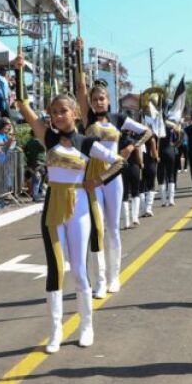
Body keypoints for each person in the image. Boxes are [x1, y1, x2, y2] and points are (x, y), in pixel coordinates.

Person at [15, 69, 126, 354]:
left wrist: (96, 181)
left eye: (63, 111)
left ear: (76, 113)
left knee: (78, 269)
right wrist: (18, 70)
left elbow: (118, 162)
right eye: (53, 112)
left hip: (79, 208)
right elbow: (22, 105)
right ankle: (55, 331)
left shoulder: (87, 143)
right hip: (52, 207)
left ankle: (86, 325)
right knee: (55, 270)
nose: (57, 116)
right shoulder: (48, 138)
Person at [75, 52, 150, 298]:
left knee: (113, 229)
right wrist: (78, 55)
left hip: (114, 176)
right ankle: (99, 280)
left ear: (109, 101)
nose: (98, 102)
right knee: (97, 230)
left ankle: (114, 276)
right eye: (95, 98)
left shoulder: (119, 119)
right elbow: (80, 89)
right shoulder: (86, 119)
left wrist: (130, 147)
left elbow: (147, 131)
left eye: (102, 98)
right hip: (92, 178)